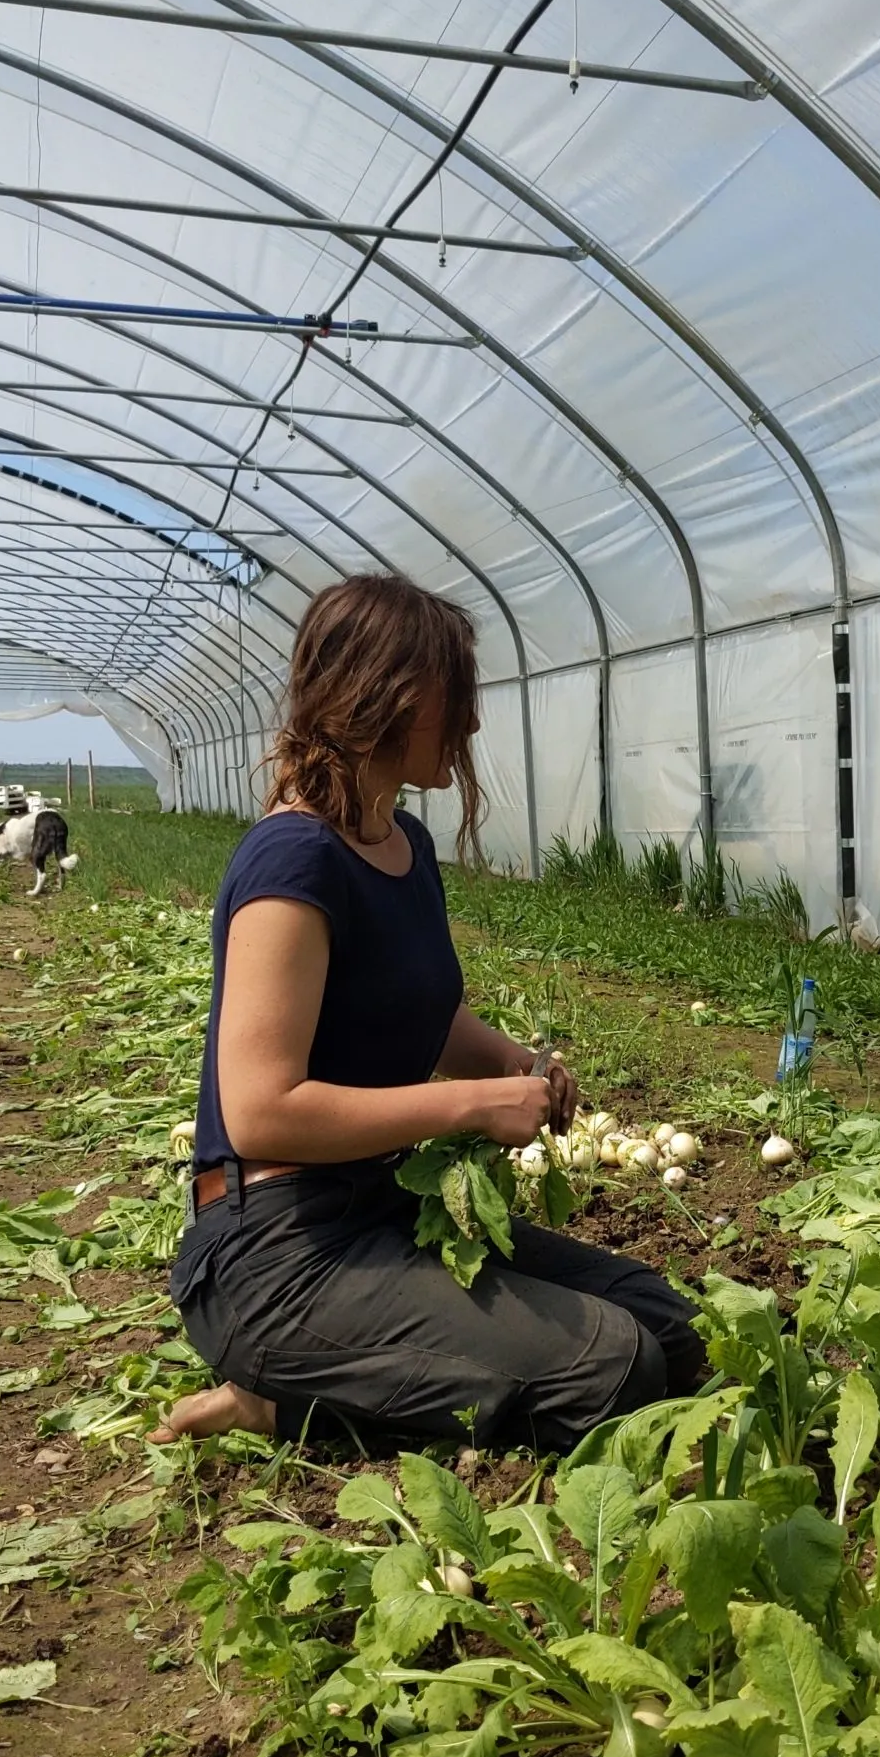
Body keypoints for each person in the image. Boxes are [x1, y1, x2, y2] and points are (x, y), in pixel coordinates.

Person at [149, 575, 706, 1453]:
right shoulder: (292, 862)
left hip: (385, 1211)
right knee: (616, 1369)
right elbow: (261, 1108)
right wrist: (470, 1107)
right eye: (458, 696)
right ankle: (287, 1398)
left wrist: (517, 1067)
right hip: (279, 1256)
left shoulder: (404, 845)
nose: (473, 723)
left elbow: (428, 1020)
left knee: (662, 1324)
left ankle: (338, 1382)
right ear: (389, 697)